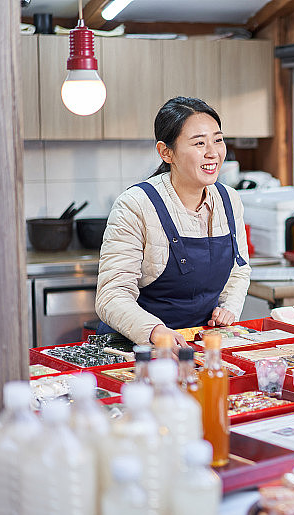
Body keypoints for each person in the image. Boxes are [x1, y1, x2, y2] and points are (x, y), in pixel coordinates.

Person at [96, 97, 251, 347]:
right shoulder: (135, 204)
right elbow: (112, 295)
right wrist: (155, 332)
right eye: (199, 143)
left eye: (218, 140)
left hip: (199, 343)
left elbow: (239, 269)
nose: (213, 153)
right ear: (166, 152)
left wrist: (229, 308)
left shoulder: (229, 200)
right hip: (137, 347)